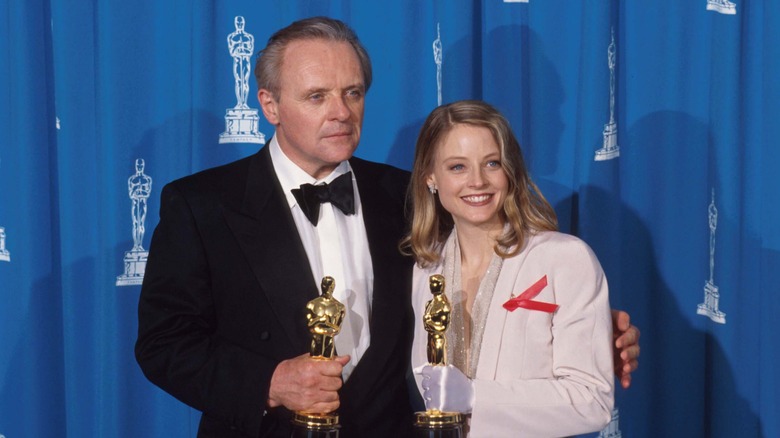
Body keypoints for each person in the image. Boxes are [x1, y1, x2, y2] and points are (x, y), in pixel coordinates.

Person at [135, 17, 639, 438]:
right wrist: (271, 381)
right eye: (316, 97)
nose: (340, 113)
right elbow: (164, 346)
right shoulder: (202, 204)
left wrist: (589, 328)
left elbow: (492, 268)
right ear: (270, 106)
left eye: (352, 92)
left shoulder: (409, 195)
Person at [404, 100, 614, 436]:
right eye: (457, 167)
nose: (477, 181)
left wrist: (476, 397)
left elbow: (592, 400)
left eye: (491, 163)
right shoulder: (422, 272)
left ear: (510, 170)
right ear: (431, 177)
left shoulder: (566, 259)